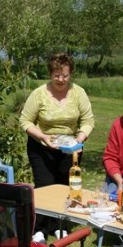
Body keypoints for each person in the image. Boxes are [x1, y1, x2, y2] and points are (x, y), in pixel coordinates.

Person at [19, 52, 96, 187]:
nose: (61, 79)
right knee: (45, 188)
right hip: (41, 149)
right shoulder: (39, 94)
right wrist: (42, 137)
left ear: (70, 74)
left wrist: (80, 139)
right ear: (50, 74)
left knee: (67, 188)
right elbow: (25, 121)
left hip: (70, 149)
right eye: (56, 75)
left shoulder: (79, 93)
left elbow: (88, 121)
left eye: (65, 75)